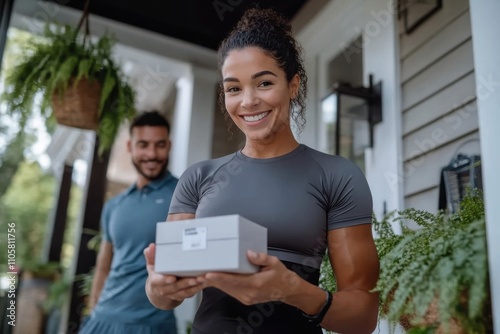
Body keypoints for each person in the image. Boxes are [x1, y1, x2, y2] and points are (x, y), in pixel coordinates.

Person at [144, 8, 379, 334]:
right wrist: (158, 288)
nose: (249, 101)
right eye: (234, 88)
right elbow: (165, 293)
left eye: (264, 83)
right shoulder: (198, 178)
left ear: (293, 85)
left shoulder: (336, 176)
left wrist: (295, 290)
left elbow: (364, 316)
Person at [80, 111, 178, 334]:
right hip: (101, 320)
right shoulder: (115, 205)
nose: (152, 154)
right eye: (143, 145)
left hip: (151, 325)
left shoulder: (184, 195)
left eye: (160, 145)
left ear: (169, 146)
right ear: (130, 147)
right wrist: (93, 310)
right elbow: (104, 266)